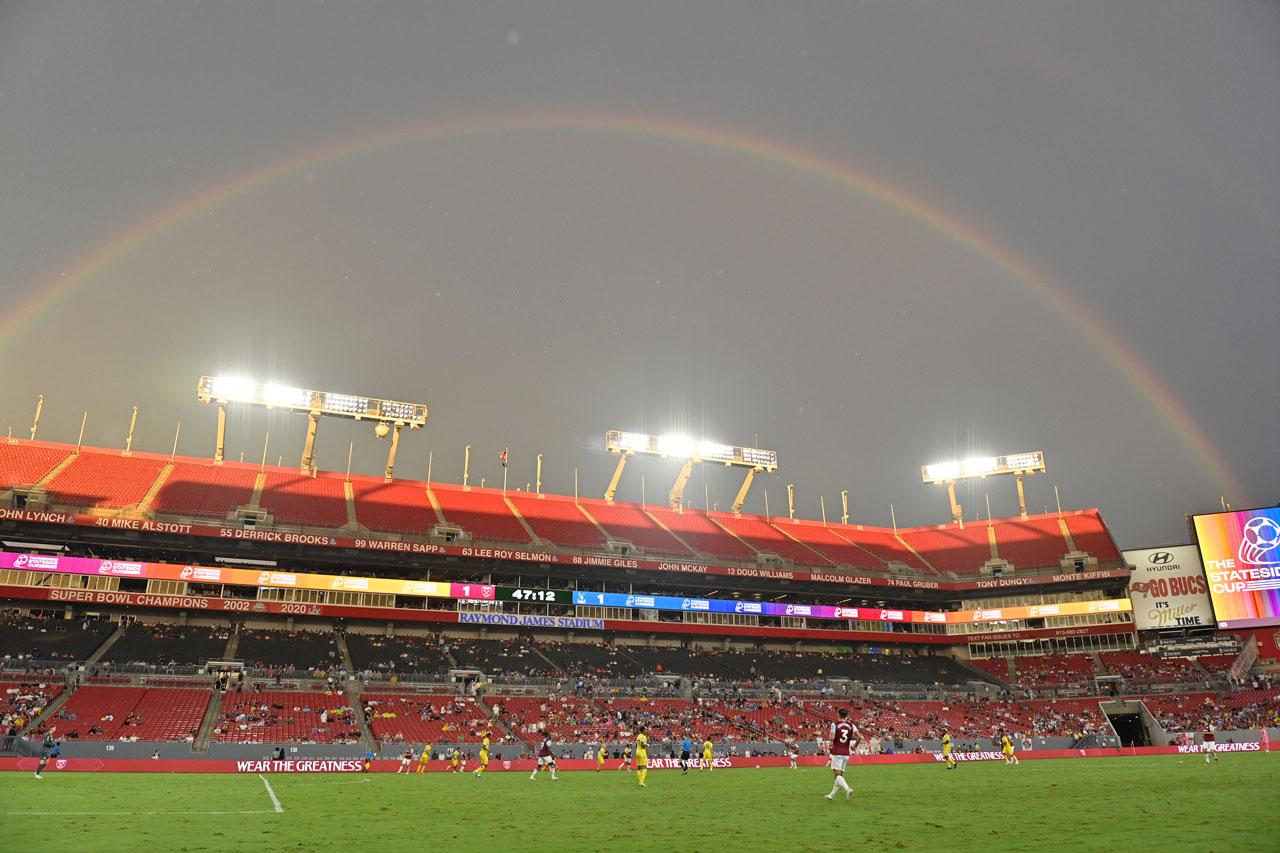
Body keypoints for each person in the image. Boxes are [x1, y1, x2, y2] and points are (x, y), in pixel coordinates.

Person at [824, 707, 860, 801]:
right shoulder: (851, 725)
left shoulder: (834, 724)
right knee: (840, 776)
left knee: (837, 775)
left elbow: (832, 738)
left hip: (837, 752)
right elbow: (859, 737)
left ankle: (848, 789)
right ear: (846, 715)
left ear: (838, 714)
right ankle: (831, 795)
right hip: (846, 754)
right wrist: (855, 746)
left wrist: (830, 736)